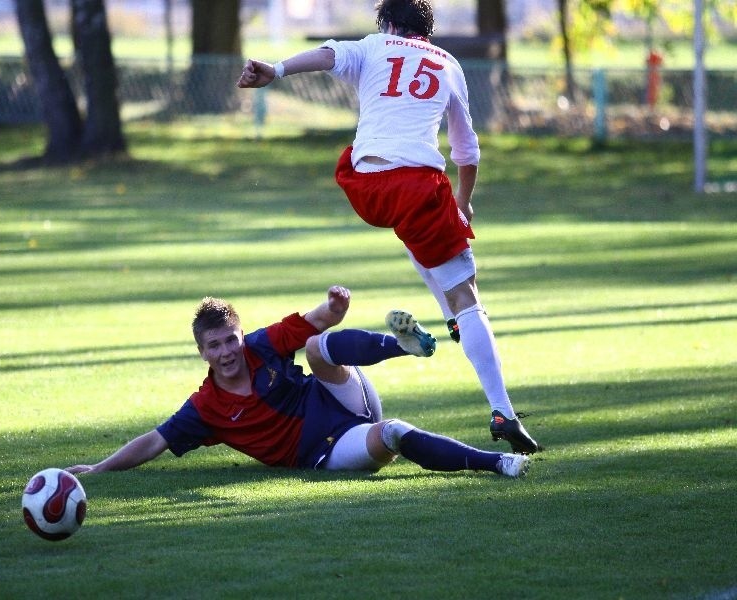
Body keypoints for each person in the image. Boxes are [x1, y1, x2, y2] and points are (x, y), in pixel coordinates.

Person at [235, 0, 540, 453]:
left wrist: (275, 70)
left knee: (417, 229)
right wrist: (463, 203)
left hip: (364, 185)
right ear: (426, 32)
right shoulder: (448, 64)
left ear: (390, 24)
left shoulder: (374, 46)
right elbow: (467, 152)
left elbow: (327, 55)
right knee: (466, 292)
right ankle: (503, 413)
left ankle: (455, 322)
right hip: (417, 184)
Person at [66, 286, 529, 478]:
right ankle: (498, 464)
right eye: (215, 346)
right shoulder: (205, 407)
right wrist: (99, 469)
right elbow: (155, 441)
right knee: (394, 433)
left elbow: (313, 320)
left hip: (340, 394)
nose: (226, 352)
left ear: (240, 335)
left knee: (314, 346)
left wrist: (335, 308)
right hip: (329, 449)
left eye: (231, 340)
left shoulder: (262, 346)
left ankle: (399, 346)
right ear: (202, 352)